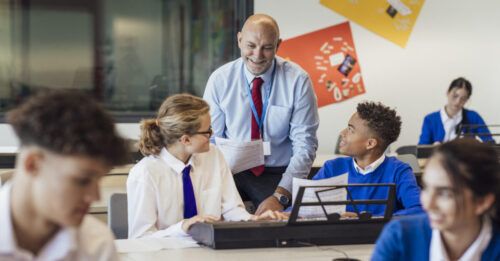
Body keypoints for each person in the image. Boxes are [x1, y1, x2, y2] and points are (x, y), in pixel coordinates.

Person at [203, 14, 319, 214]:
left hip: (277, 173)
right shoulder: (220, 80)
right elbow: (211, 139)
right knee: (216, 220)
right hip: (231, 171)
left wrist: (281, 195)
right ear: (239, 40)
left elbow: (305, 145)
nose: (257, 55)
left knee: (277, 224)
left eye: (267, 47)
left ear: (278, 45)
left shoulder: (297, 80)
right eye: (251, 46)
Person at [127, 94, 286, 239]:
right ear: (186, 140)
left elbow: (232, 209)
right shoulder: (144, 174)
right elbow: (140, 238)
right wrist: (181, 228)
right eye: (207, 132)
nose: (212, 135)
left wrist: (254, 220)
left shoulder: (214, 156)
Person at [0, 91, 129, 260]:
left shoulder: (97, 244)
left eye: (98, 181)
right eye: (82, 181)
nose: (95, 197)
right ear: (32, 164)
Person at [372, 138, 500, 260]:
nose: (428, 205)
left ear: (482, 202)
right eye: (426, 188)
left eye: (444, 193)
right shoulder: (399, 237)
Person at [313, 101, 423, 216]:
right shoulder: (331, 168)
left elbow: (419, 209)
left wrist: (367, 220)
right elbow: (301, 207)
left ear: (370, 143)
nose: (342, 133)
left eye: (351, 130)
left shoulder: (399, 171)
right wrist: (292, 212)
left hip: (379, 233)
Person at [419, 77, 494, 145]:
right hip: (439, 159)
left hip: (465, 159)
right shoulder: (430, 119)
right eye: (455, 96)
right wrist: (433, 148)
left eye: (463, 98)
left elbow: (490, 142)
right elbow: (421, 148)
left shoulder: (473, 117)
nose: (458, 102)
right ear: (447, 93)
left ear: (467, 100)